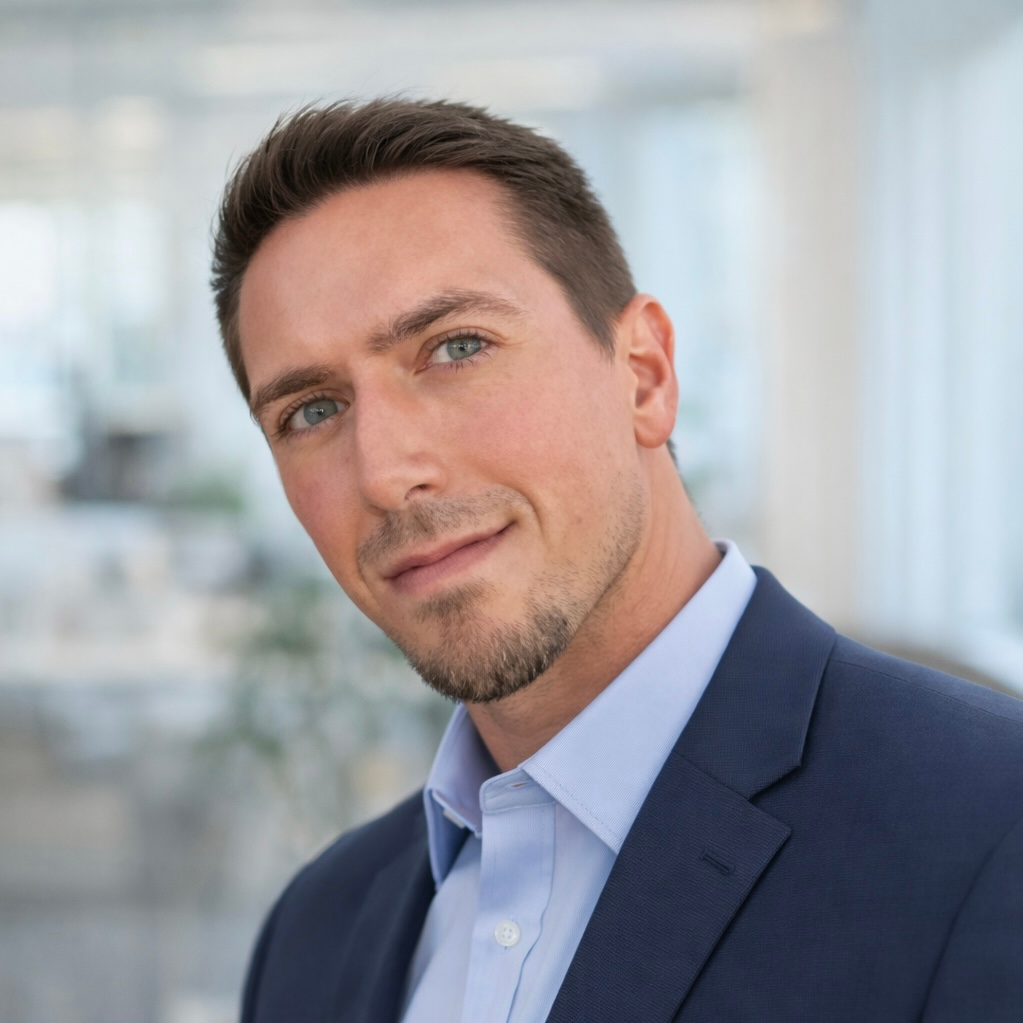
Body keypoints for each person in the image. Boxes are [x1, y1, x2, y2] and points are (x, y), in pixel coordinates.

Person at [211, 99, 1023, 1023]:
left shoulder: (988, 830)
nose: (387, 473)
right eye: (310, 411)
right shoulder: (315, 936)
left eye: (456, 348)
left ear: (643, 374)